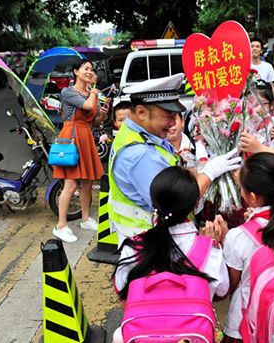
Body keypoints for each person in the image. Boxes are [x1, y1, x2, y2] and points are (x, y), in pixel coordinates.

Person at [109, 75, 241, 245]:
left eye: (175, 116)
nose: (173, 123)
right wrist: (209, 173)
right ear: (141, 112)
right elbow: (178, 202)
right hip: (150, 242)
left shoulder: (139, 133)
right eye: (168, 116)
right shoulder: (141, 155)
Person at [202, 152, 274, 343]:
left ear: (252, 197)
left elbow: (225, 289)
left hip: (246, 328)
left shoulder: (239, 237)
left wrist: (216, 245)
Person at [112, 166, 229, 343]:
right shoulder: (209, 249)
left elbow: (123, 296)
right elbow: (221, 291)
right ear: (195, 204)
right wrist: (218, 244)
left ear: (153, 203)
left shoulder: (133, 247)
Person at [52, 60, 104, 243]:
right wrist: (95, 92)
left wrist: (102, 114)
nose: (89, 72)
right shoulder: (68, 92)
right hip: (72, 136)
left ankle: (85, 218)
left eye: (91, 69)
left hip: (85, 135)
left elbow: (94, 121)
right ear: (76, 71)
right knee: (71, 183)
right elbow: (88, 107)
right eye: (86, 69)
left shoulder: (89, 93)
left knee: (88, 182)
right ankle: (60, 226)